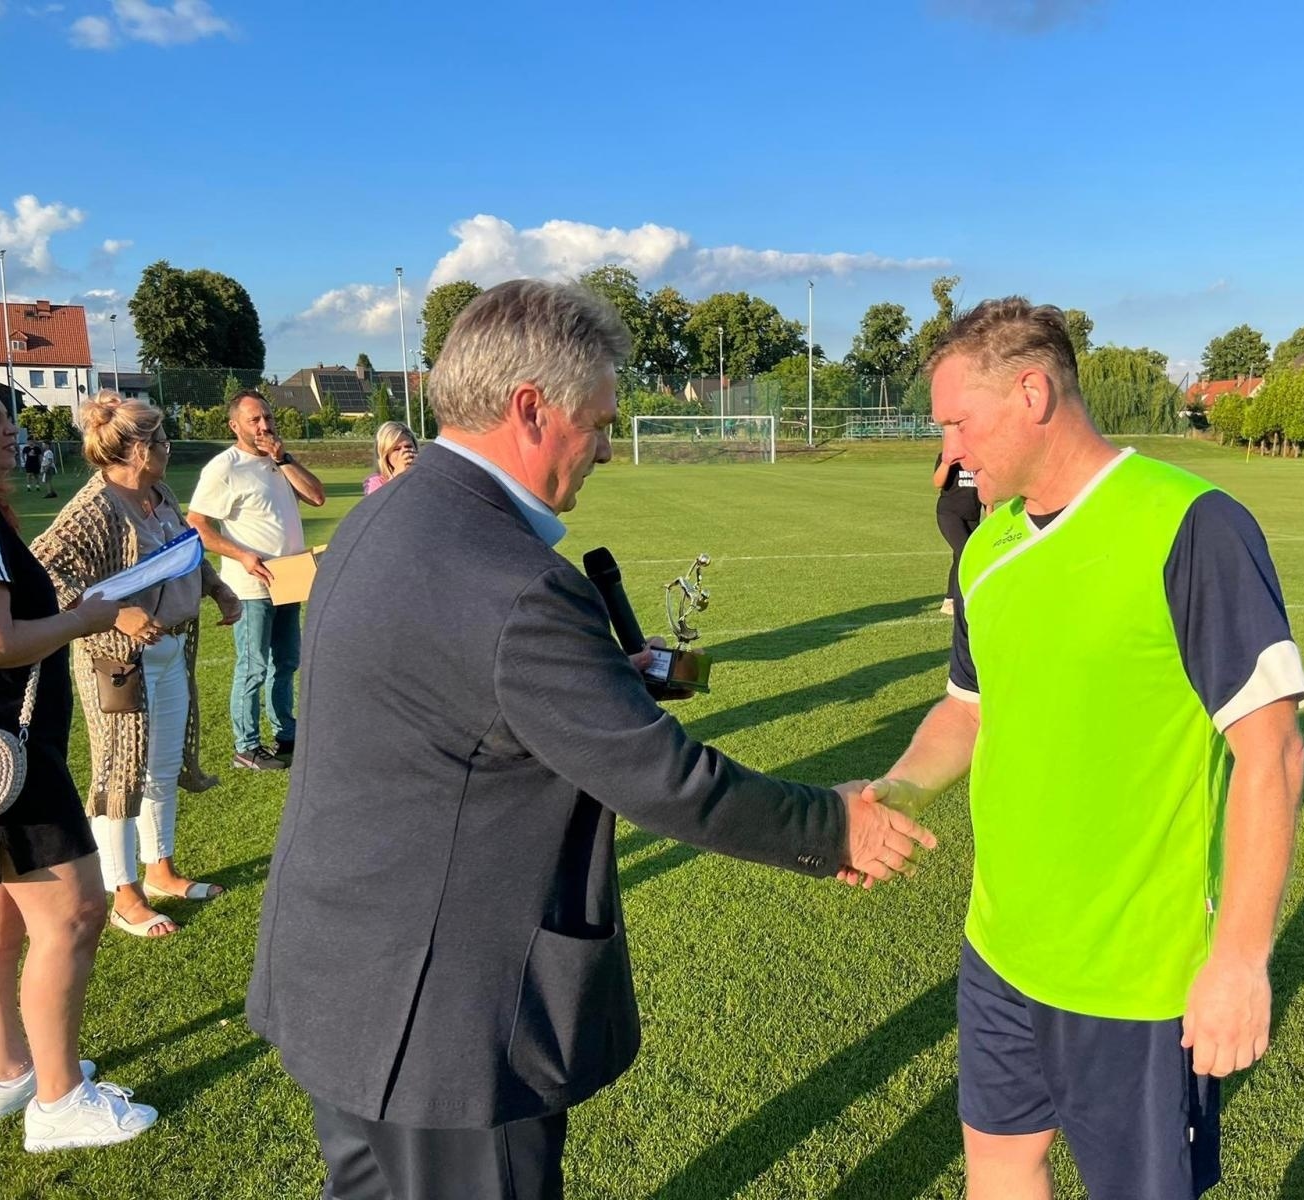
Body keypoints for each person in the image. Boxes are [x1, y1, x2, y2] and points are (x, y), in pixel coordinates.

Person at [246, 280, 936, 1200]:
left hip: (346, 983)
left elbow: (459, 707)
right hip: (449, 1025)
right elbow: (664, 778)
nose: (610, 445)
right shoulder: (514, 581)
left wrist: (602, 679)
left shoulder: (387, 513)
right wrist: (834, 825)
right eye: (601, 421)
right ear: (531, 408)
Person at [858, 300, 1304, 1200]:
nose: (946, 448)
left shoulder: (1192, 525)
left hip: (1135, 974)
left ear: (1032, 392)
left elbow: (1275, 754)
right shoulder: (985, 547)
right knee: (999, 1162)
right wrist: (895, 792)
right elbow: (969, 710)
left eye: (956, 420)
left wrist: (1240, 958)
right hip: (1001, 945)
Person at [0, 367, 158, 1150]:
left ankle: (9, 1073)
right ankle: (58, 1101)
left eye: (3, 414)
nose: (7, 427)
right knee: (73, 913)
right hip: (3, 742)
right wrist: (90, 619)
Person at [31, 394, 243, 939]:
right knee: (119, 771)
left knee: (163, 765)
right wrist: (116, 614)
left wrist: (217, 588)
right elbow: (43, 574)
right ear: (141, 449)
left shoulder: (158, 492)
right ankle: (123, 891)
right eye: (163, 440)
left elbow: (185, 549)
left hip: (170, 650)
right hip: (117, 663)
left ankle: (161, 869)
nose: (169, 448)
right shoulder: (94, 507)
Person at [185, 391, 325, 771]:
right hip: (251, 587)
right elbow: (196, 523)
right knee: (254, 667)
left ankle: (286, 733)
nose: (264, 426)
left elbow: (317, 497)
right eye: (254, 420)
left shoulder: (279, 461)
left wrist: (283, 458)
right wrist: (243, 555)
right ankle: (246, 746)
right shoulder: (224, 467)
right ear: (235, 425)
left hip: (290, 580)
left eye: (267, 417)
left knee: (287, 662)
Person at [932, 449, 981, 616]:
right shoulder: (948, 456)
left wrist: (990, 516)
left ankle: (951, 599)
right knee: (964, 552)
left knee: (961, 555)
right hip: (949, 513)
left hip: (972, 515)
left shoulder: (980, 456)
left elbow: (985, 490)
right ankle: (956, 599)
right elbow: (937, 482)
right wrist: (947, 461)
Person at [363, 420, 418, 495]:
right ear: (385, 454)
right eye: (397, 449)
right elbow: (376, 504)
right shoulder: (375, 482)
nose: (404, 452)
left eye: (408, 446)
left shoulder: (423, 475)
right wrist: (397, 474)